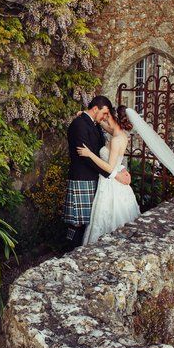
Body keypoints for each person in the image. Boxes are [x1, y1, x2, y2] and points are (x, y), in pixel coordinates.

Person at [63, 96, 131, 250]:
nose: (105, 117)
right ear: (95, 109)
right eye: (104, 113)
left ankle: (80, 251)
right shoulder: (79, 124)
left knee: (89, 221)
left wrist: (120, 169)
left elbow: (106, 156)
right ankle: (69, 252)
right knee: (78, 222)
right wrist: (114, 174)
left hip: (96, 178)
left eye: (108, 115)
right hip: (83, 178)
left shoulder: (94, 124)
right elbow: (86, 157)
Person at [76, 105, 141, 244]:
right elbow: (105, 126)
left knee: (108, 218)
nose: (105, 117)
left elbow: (110, 168)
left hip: (110, 183)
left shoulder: (116, 140)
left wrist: (90, 154)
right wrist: (86, 114)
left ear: (114, 118)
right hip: (117, 181)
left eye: (108, 115)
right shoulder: (119, 134)